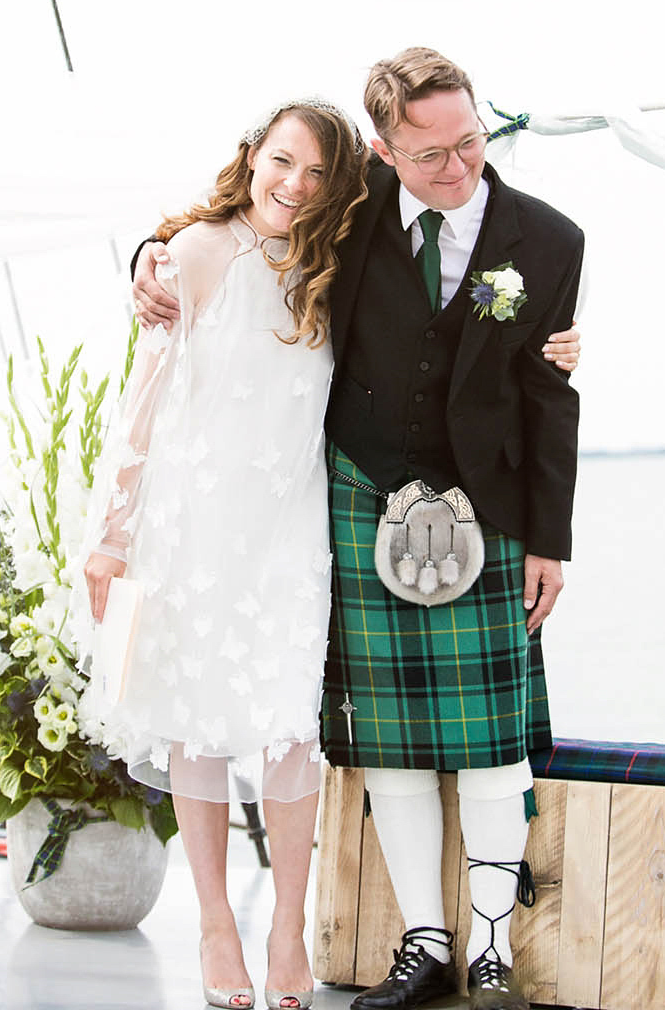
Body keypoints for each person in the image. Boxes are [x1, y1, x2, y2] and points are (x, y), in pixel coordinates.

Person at [132, 49, 584, 1010]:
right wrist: (144, 258)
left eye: (471, 142)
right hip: (358, 495)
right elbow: (241, 222)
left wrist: (552, 538)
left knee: (493, 745)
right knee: (385, 744)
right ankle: (424, 945)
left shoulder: (549, 239)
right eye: (429, 155)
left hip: (490, 509)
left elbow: (551, 401)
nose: (457, 167)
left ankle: (493, 950)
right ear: (383, 151)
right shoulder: (356, 206)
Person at [82, 99, 369, 1010]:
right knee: (195, 723)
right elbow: (148, 399)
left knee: (290, 728)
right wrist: (112, 534)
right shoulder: (195, 254)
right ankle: (214, 923)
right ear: (252, 157)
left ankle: (287, 926)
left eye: (319, 173)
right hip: (192, 527)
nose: (296, 185)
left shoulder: (339, 263)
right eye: (283, 162)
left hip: (291, 530)